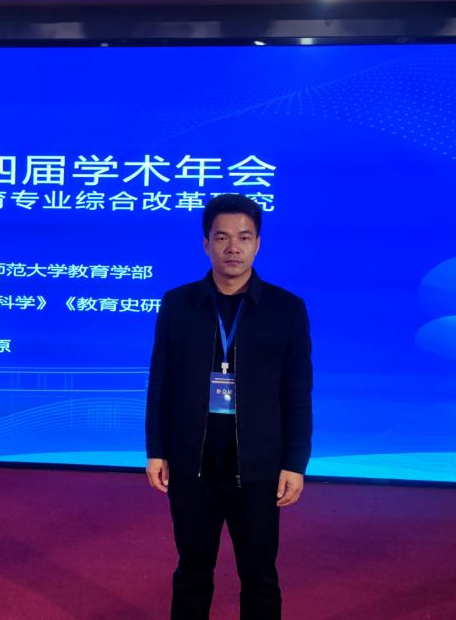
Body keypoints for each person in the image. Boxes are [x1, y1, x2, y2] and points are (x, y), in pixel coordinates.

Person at [144, 193, 312, 620]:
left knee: (259, 576)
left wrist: (295, 463)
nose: (232, 247)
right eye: (221, 237)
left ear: (258, 244)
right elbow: (160, 382)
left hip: (258, 467)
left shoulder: (286, 309)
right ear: (206, 244)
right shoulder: (178, 305)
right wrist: (156, 450)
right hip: (191, 463)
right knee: (192, 571)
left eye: (244, 237)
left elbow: (297, 393)